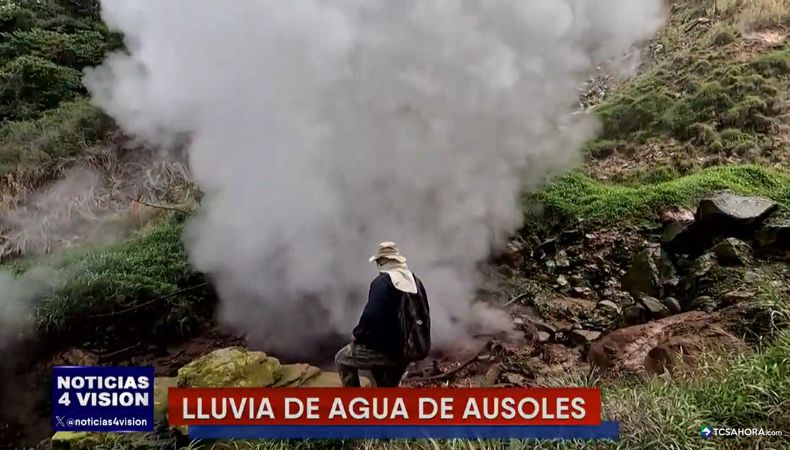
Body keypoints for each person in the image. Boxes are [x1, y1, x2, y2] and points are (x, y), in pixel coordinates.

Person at [335, 241, 429, 387]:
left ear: (381, 261)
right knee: (386, 384)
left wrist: (358, 335)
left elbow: (371, 316)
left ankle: (354, 404)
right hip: (414, 349)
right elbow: (424, 314)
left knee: (342, 358)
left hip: (392, 351)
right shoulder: (415, 281)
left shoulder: (382, 283)